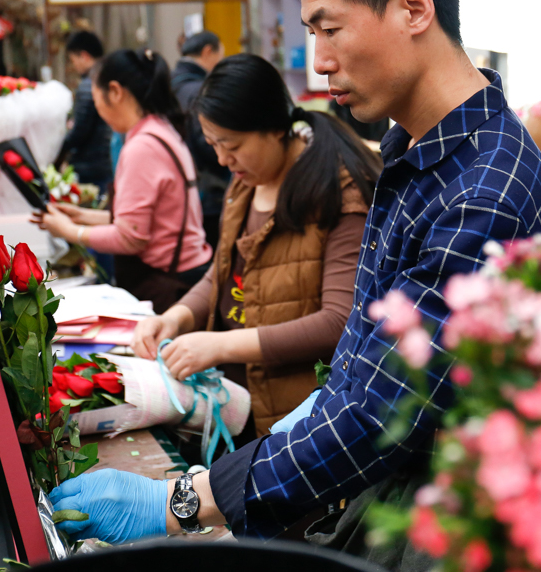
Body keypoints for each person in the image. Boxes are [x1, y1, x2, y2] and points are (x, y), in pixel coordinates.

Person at [49, 0, 541, 568]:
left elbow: (380, 419)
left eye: (331, 29)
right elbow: (365, 356)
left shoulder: (481, 192)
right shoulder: (415, 145)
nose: (319, 61)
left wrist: (182, 499)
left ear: (414, 8)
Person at [132, 53, 380, 440]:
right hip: (242, 399)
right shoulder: (246, 180)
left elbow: (338, 322)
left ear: (274, 128)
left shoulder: (338, 194)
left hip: (302, 417)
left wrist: (221, 346)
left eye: (231, 144)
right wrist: (176, 318)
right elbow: (225, 268)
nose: (222, 159)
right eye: (213, 144)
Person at [35, 48, 212, 313]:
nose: (98, 110)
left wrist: (70, 231)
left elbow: (131, 238)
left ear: (115, 92)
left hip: (168, 282)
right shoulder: (160, 129)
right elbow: (148, 220)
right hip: (189, 271)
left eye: (97, 100)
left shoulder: (142, 146)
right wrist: (82, 216)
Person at [171, 30, 230, 249]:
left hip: (183, 190)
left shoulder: (171, 83)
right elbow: (207, 144)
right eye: (220, 55)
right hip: (208, 191)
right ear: (207, 52)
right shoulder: (199, 90)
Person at [55, 31, 113, 191]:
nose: (74, 66)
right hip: (106, 162)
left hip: (90, 166)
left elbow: (80, 131)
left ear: (84, 56)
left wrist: (59, 146)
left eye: (73, 60)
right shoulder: (107, 78)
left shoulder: (88, 86)